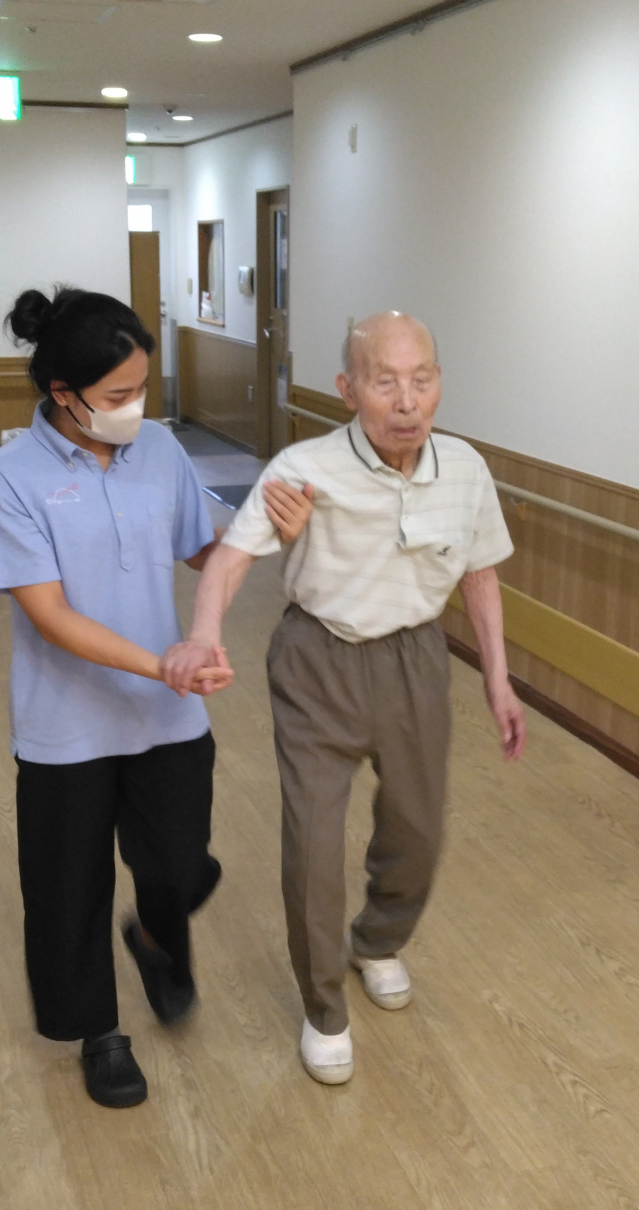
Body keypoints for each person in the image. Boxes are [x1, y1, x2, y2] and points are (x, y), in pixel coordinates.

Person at [162, 311, 526, 1085]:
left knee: (419, 829)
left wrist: (497, 676)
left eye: (420, 379)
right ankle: (324, 1006)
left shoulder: (465, 469)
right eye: (384, 381)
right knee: (314, 841)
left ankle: (378, 941)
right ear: (347, 388)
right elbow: (229, 559)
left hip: (416, 659)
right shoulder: (304, 468)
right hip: (318, 660)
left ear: (439, 383)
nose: (406, 400)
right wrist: (203, 635)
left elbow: (481, 574)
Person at [0, 285, 234, 1109]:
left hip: (168, 715)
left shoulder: (159, 448)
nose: (135, 407)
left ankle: (156, 934)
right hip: (68, 722)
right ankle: (100, 1033)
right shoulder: (8, 477)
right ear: (63, 393)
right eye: (117, 395)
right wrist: (163, 664)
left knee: (181, 865)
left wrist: (271, 528)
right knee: (68, 888)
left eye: (142, 388)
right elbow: (50, 617)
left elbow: (202, 547)